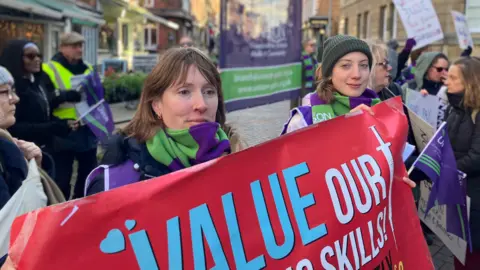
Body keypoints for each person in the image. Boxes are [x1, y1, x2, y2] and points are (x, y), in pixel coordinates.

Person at [85, 47, 244, 196]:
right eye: (184, 92)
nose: (201, 104)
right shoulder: (115, 184)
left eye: (209, 91)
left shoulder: (241, 161)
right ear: (156, 105)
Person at [280, 35, 415, 187]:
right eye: (346, 66)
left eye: (363, 65)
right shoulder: (304, 120)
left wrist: (395, 184)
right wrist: (344, 129)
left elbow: (385, 169)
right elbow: (288, 185)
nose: (357, 74)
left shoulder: (381, 113)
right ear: (329, 72)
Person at [0, 40, 81, 178]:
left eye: (39, 55)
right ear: (17, 58)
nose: (37, 59)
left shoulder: (39, 80)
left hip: (46, 148)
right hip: (23, 149)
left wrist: (63, 122)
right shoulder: (15, 87)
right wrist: (54, 126)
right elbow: (17, 126)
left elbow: (45, 109)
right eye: (31, 56)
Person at [42, 32, 97, 199]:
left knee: (88, 173)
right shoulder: (49, 69)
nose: (79, 49)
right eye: (74, 46)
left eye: (81, 46)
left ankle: (82, 205)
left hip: (86, 128)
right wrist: (64, 95)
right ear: (62, 48)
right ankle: (61, 209)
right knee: (62, 178)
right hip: (63, 130)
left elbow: (97, 95)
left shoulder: (88, 67)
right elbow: (44, 99)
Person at [443, 57, 480, 269]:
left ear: (470, 82)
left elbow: (477, 157)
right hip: (460, 194)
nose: (446, 82)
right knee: (460, 252)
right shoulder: (455, 108)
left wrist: (446, 169)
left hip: (475, 200)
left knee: (472, 256)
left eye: (452, 77)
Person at [292, 38, 318, 109]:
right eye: (312, 45)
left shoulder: (313, 57)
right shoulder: (300, 58)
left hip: (312, 85)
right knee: (304, 104)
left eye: (315, 45)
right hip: (303, 85)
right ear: (305, 46)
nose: (314, 47)